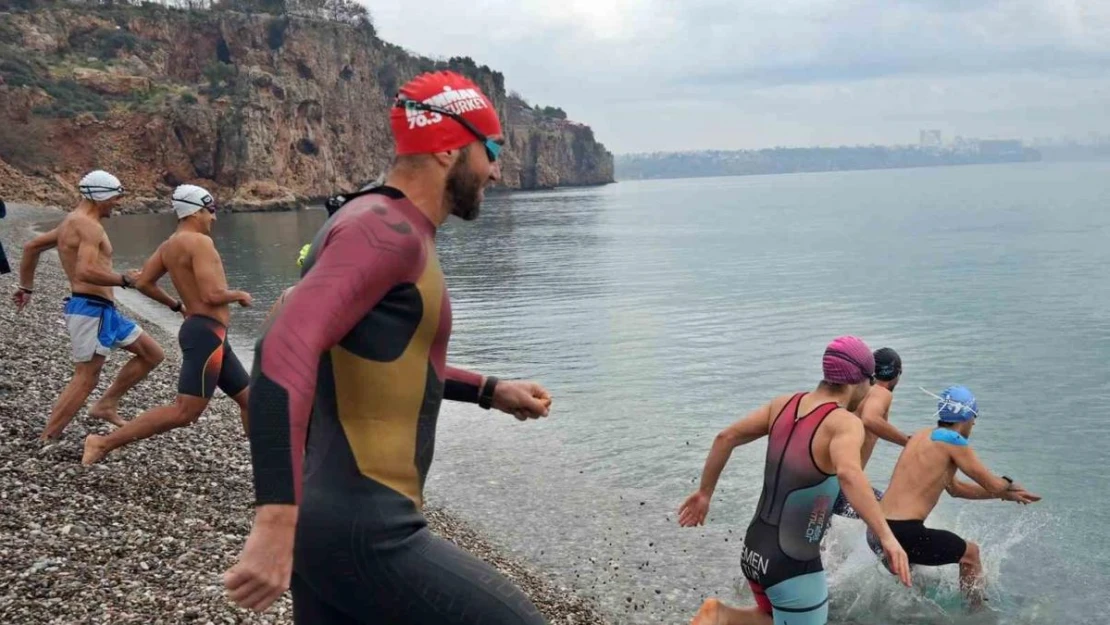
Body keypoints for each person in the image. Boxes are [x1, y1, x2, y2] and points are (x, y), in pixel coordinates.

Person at [223, 71, 554, 625]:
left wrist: (491, 391)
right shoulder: (384, 232)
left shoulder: (370, 221)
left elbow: (380, 356)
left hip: (332, 516)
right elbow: (282, 345)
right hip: (365, 527)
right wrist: (274, 518)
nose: (497, 169)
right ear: (450, 147)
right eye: (492, 149)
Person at [678, 336, 911, 625]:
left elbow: (726, 437)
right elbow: (849, 475)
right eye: (869, 381)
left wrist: (704, 493)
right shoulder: (844, 423)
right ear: (858, 381)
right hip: (793, 565)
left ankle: (720, 616)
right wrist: (888, 538)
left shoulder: (783, 404)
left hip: (754, 550)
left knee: (770, 617)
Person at [81, 185, 252, 465]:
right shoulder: (200, 242)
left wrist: (177, 306)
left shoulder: (169, 244)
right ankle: (102, 443)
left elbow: (144, 282)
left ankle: (268, 464)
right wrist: (239, 295)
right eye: (211, 211)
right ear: (196, 211)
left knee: (249, 400)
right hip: (207, 335)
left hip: (210, 334)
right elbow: (212, 295)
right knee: (185, 411)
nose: (214, 218)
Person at [11, 170, 166, 440]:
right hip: (90, 309)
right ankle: (48, 436)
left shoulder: (73, 222)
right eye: (115, 197)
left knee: (153, 354)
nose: (118, 203)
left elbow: (31, 247)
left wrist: (26, 287)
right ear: (100, 197)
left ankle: (106, 405)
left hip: (104, 310)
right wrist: (125, 279)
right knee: (86, 376)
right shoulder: (88, 225)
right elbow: (84, 272)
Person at [865, 385, 1040, 610]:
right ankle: (976, 615)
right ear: (966, 416)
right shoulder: (954, 442)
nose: (974, 424)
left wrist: (1004, 496)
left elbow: (956, 489)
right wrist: (1010, 484)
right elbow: (992, 483)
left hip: (877, 532)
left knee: (914, 592)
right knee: (970, 554)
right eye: (974, 417)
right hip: (902, 533)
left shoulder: (922, 436)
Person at [830, 347, 912, 518]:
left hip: (826, 480)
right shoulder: (882, 393)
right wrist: (908, 442)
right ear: (897, 373)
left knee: (818, 537)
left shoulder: (858, 391)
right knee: (890, 514)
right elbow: (870, 418)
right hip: (842, 484)